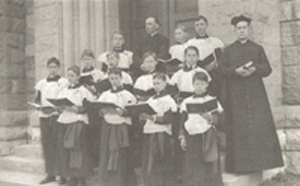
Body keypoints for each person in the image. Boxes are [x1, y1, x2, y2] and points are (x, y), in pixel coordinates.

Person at [218, 14, 284, 173]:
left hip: (256, 95)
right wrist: (236, 71)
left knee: (258, 126)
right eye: (238, 28)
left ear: (248, 29)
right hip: (236, 96)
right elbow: (221, 70)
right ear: (234, 30)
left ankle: (260, 165)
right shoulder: (228, 50)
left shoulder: (257, 48)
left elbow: (267, 69)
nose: (241, 31)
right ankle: (241, 167)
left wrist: (255, 69)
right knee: (238, 128)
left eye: (244, 28)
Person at [179, 71, 224, 186]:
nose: (199, 87)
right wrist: (182, 136)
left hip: (207, 136)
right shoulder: (187, 101)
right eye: (197, 84)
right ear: (193, 84)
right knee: (192, 165)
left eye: (202, 84)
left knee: (209, 165)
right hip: (191, 136)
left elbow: (220, 119)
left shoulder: (211, 100)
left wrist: (210, 117)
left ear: (206, 85)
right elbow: (182, 120)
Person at [97, 68, 137, 186]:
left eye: (116, 78)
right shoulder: (105, 95)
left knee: (121, 155)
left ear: (121, 78)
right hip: (108, 127)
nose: (114, 81)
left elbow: (133, 112)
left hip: (122, 128)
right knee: (106, 153)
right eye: (111, 79)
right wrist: (103, 111)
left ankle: (122, 182)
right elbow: (99, 109)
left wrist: (122, 112)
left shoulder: (127, 95)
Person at [56, 65, 95, 186]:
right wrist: (60, 107)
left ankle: (80, 179)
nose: (70, 78)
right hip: (64, 121)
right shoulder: (64, 90)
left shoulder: (83, 90)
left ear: (78, 76)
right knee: (66, 150)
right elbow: (59, 105)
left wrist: (75, 109)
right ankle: (71, 178)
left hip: (78, 121)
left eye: (72, 75)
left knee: (78, 151)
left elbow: (88, 108)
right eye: (68, 76)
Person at [34, 57, 69, 185]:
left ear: (59, 68)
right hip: (44, 116)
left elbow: (66, 98)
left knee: (59, 144)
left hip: (58, 116)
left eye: (55, 67)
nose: (53, 69)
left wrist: (59, 108)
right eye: (51, 67)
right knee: (47, 144)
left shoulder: (64, 82)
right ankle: (50, 173)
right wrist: (40, 107)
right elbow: (37, 99)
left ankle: (62, 174)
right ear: (47, 68)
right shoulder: (41, 83)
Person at [139, 72, 177, 186]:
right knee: (149, 162)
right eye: (154, 84)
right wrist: (143, 116)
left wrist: (152, 118)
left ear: (165, 83)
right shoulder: (151, 99)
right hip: (149, 132)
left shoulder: (168, 100)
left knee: (160, 161)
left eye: (159, 83)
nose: (156, 86)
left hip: (161, 135)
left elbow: (169, 118)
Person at [187, 15, 224, 96]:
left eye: (201, 24)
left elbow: (220, 59)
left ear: (206, 25)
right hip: (196, 73)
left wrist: (213, 66)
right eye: (197, 25)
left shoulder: (215, 41)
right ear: (194, 27)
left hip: (213, 73)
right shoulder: (190, 42)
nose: (199, 27)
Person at [80, 49, 104, 167]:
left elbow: (103, 90)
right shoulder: (79, 74)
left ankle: (96, 160)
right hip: (84, 105)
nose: (87, 62)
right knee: (86, 133)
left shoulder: (99, 73)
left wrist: (94, 88)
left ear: (93, 60)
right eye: (84, 59)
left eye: (89, 59)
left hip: (95, 104)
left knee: (95, 133)